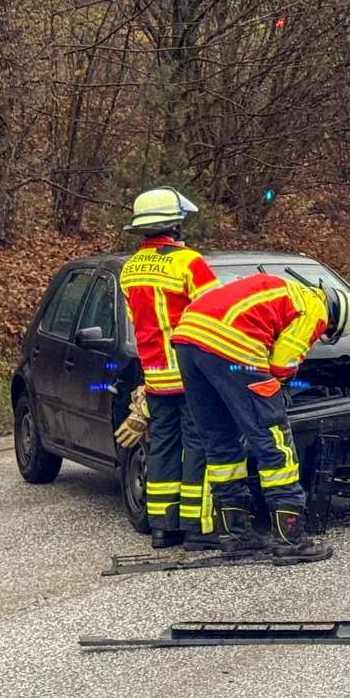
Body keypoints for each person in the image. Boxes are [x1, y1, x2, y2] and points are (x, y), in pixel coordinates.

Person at [172, 273, 350, 560]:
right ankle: (291, 540)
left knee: (220, 440)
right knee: (273, 441)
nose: (321, 334)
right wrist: (278, 388)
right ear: (335, 318)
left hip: (188, 341)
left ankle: (235, 535)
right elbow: (282, 362)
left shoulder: (285, 290)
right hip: (231, 346)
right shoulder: (315, 307)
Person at [118, 186, 221, 550]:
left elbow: (137, 322)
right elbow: (215, 314)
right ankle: (196, 529)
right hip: (192, 373)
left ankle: (162, 528)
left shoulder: (130, 269)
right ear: (175, 225)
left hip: (155, 376)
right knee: (198, 447)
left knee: (162, 446)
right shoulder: (188, 262)